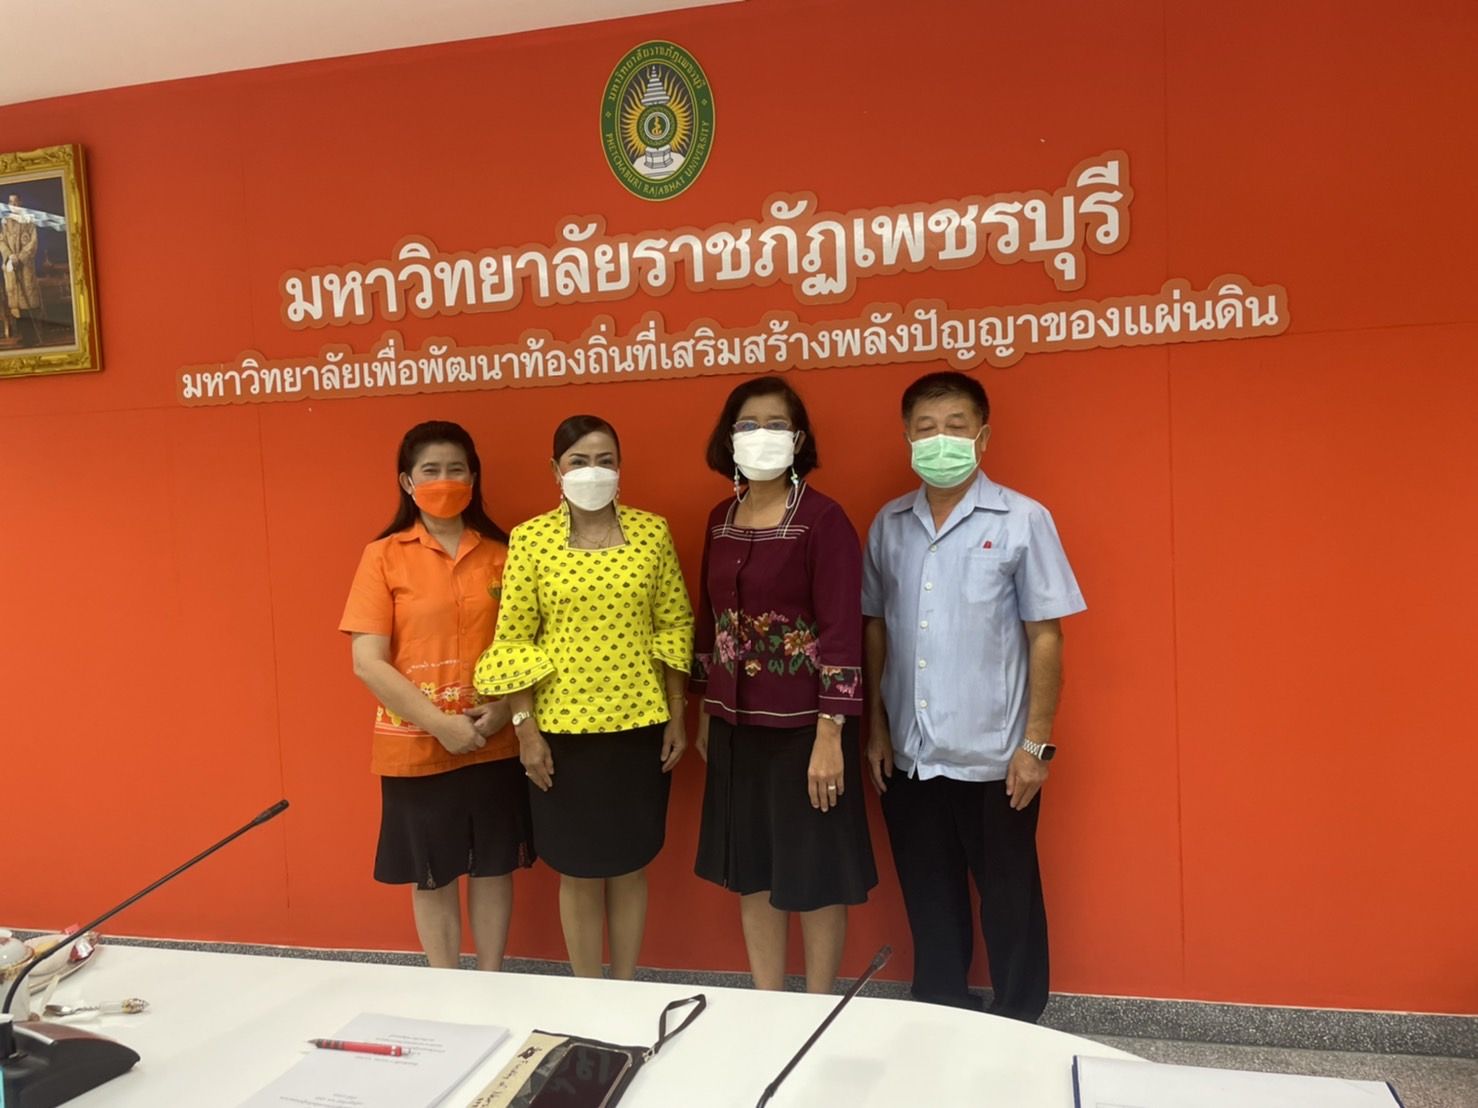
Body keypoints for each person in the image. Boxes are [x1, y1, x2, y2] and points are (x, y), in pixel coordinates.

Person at [862, 371, 1085, 1022]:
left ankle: (1020, 1020)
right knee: (929, 901)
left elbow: (1047, 636)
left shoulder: (1023, 520)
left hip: (997, 760)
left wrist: (1035, 745)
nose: (941, 440)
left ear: (982, 438)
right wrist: (876, 728)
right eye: (926, 428)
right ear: (908, 438)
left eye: (955, 427)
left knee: (1011, 902)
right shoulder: (889, 525)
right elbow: (874, 626)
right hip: (912, 756)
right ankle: (942, 1012)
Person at [475, 415, 693, 980]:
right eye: (579, 461)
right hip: (560, 733)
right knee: (576, 870)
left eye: (604, 460)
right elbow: (514, 639)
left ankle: (624, 985)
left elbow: (674, 623)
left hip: (639, 727)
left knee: (630, 865)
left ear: (620, 468)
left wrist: (677, 712)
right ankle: (588, 992)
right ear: (556, 470)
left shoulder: (652, 532)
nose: (592, 471)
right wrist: (525, 729)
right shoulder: (531, 540)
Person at [691, 377, 877, 994]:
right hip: (735, 728)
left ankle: (817, 1006)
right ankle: (768, 1003)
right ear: (729, 438)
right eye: (748, 424)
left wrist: (831, 734)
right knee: (754, 873)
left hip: (807, 731)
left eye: (776, 424)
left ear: (798, 439)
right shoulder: (720, 520)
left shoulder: (823, 520)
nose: (761, 436)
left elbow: (842, 630)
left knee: (816, 875)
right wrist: (705, 711)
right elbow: (710, 620)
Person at [339, 421, 534, 970]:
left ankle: (491, 979)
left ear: (473, 478)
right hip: (417, 746)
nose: (444, 480)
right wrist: (440, 724)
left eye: (456, 469)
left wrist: (505, 710)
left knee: (493, 865)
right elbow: (367, 661)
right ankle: (444, 985)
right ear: (407, 481)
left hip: (493, 739)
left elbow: (532, 646)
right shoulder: (383, 556)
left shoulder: (506, 553)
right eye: (430, 470)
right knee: (432, 872)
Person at [0, 196, 40, 346]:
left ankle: (33, 337)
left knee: (28, 299)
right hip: (11, 265)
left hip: (25, 266)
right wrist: (9, 256)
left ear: (21, 203)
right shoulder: (5, 222)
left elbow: (33, 242)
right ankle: (23, 335)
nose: (14, 204)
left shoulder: (29, 220)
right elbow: (1, 241)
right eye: (11, 202)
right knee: (16, 302)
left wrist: (20, 257)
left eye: (16, 201)